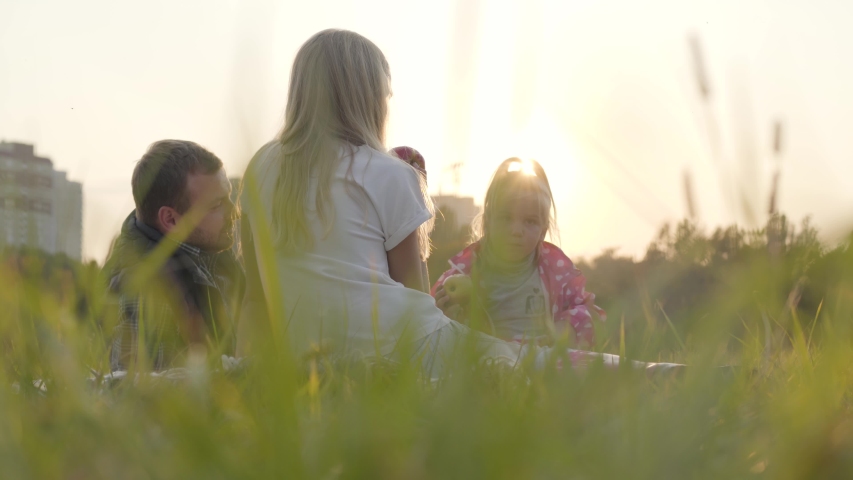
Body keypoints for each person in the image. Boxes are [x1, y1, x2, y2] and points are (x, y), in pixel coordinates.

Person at [237, 29, 681, 377]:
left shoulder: (260, 168)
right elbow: (415, 293)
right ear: (367, 98)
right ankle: (670, 375)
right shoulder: (389, 173)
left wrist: (255, 372)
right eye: (385, 96)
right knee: (542, 365)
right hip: (401, 347)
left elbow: (256, 298)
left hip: (305, 353)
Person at [431, 158, 605, 349]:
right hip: (488, 360)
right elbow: (429, 321)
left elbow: (585, 309)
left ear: (543, 230)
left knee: (607, 364)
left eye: (530, 222)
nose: (516, 230)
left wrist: (565, 328)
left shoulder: (553, 270)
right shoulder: (467, 271)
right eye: (506, 218)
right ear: (488, 222)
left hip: (541, 359)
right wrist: (443, 311)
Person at [106, 140, 243, 372]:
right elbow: (138, 393)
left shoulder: (207, 248)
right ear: (171, 220)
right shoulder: (142, 287)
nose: (235, 212)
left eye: (229, 197)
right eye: (216, 205)